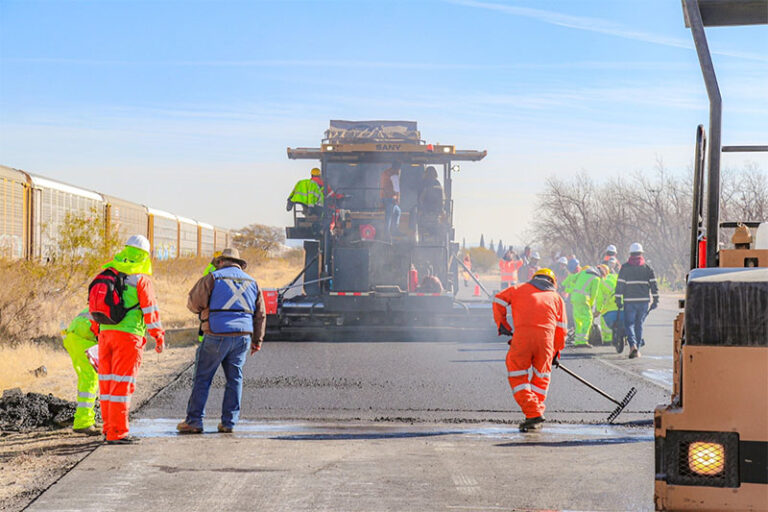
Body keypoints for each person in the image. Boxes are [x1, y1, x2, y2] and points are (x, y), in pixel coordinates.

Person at [178, 248, 266, 434]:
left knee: (203, 378)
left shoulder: (212, 278)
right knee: (235, 379)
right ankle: (229, 423)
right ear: (240, 264)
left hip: (216, 334)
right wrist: (257, 340)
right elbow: (260, 315)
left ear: (220, 262)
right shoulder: (253, 282)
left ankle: (194, 421)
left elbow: (193, 303)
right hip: (243, 336)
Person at [97, 235, 164, 444]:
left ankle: (108, 428)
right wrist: (158, 336)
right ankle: (118, 432)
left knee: (106, 385)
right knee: (121, 386)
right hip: (128, 337)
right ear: (145, 255)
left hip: (105, 334)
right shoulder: (141, 279)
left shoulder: (108, 271)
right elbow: (150, 311)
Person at [493, 268, 567, 432]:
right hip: (546, 342)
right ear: (553, 283)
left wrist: (502, 324)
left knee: (517, 374)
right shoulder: (557, 298)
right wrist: (556, 352)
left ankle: (533, 413)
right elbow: (561, 329)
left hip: (522, 338)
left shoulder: (518, 289)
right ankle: (534, 415)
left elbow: (498, 300)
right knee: (541, 378)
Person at [615, 243, 659, 358]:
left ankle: (632, 345)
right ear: (641, 254)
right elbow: (654, 285)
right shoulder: (647, 268)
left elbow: (620, 285)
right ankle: (637, 350)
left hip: (629, 301)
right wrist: (656, 300)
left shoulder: (625, 268)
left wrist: (618, 299)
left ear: (630, 254)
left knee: (629, 324)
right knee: (639, 325)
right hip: (643, 301)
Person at [62, 308, 101, 436]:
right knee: (91, 378)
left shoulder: (101, 302)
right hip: (83, 339)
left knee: (86, 378)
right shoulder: (117, 308)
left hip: (73, 336)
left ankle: (87, 419)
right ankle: (83, 423)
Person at [569, 265, 602, 347]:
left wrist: (569, 289)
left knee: (578, 319)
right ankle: (583, 341)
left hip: (574, 298)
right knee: (588, 319)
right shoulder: (596, 279)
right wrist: (591, 305)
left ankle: (578, 341)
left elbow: (571, 279)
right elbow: (594, 294)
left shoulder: (583, 272)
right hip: (584, 300)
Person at [414, 166, 444, 241]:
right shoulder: (437, 183)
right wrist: (441, 209)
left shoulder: (423, 183)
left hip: (426, 210)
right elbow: (441, 198)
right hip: (434, 210)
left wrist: (420, 209)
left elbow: (419, 198)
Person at [597, 259, 621, 343]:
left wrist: (598, 311)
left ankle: (608, 339)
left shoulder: (601, 282)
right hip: (623, 306)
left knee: (605, 320)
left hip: (610, 309)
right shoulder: (617, 277)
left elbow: (599, 300)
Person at [380, 162, 402, 238]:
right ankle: (388, 233)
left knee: (397, 211)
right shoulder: (394, 175)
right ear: (398, 168)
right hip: (390, 198)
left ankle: (393, 230)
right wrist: (398, 198)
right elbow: (396, 188)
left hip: (384, 197)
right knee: (389, 215)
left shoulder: (386, 173)